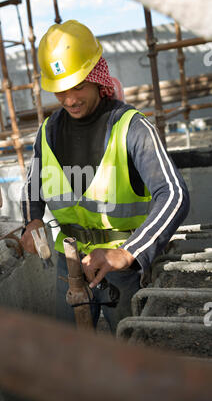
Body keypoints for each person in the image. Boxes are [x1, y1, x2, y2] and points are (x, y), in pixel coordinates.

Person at [20, 20, 190, 334]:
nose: (69, 99)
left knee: (135, 351)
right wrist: (32, 220)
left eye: (78, 87)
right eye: (60, 90)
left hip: (121, 269)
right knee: (70, 352)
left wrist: (129, 252)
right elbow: (33, 186)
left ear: (97, 77)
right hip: (68, 264)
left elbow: (174, 194)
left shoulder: (131, 127)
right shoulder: (48, 132)